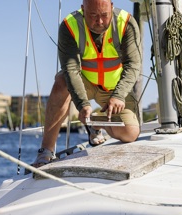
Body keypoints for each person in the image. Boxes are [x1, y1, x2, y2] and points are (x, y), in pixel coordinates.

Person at [32, 0, 142, 167]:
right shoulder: (69, 26)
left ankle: (95, 124)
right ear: (83, 10)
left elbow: (133, 64)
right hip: (85, 83)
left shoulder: (126, 23)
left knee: (130, 133)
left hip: (114, 88)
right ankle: (46, 151)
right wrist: (82, 104)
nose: (99, 21)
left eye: (104, 15)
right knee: (61, 81)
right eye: (93, 15)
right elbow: (71, 69)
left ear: (112, 7)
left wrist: (119, 95)